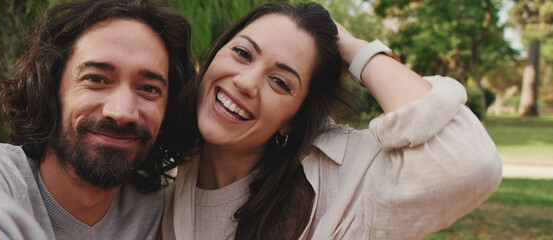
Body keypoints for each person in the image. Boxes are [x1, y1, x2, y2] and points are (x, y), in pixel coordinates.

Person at [161, 2, 502, 240]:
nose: (246, 82)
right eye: (242, 53)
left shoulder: (339, 185)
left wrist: (355, 49)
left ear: (293, 121)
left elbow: (469, 161)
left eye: (280, 82)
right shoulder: (159, 165)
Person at [0, 0, 195, 239]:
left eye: (149, 88)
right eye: (97, 79)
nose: (122, 111)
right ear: (48, 88)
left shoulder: (169, 212)